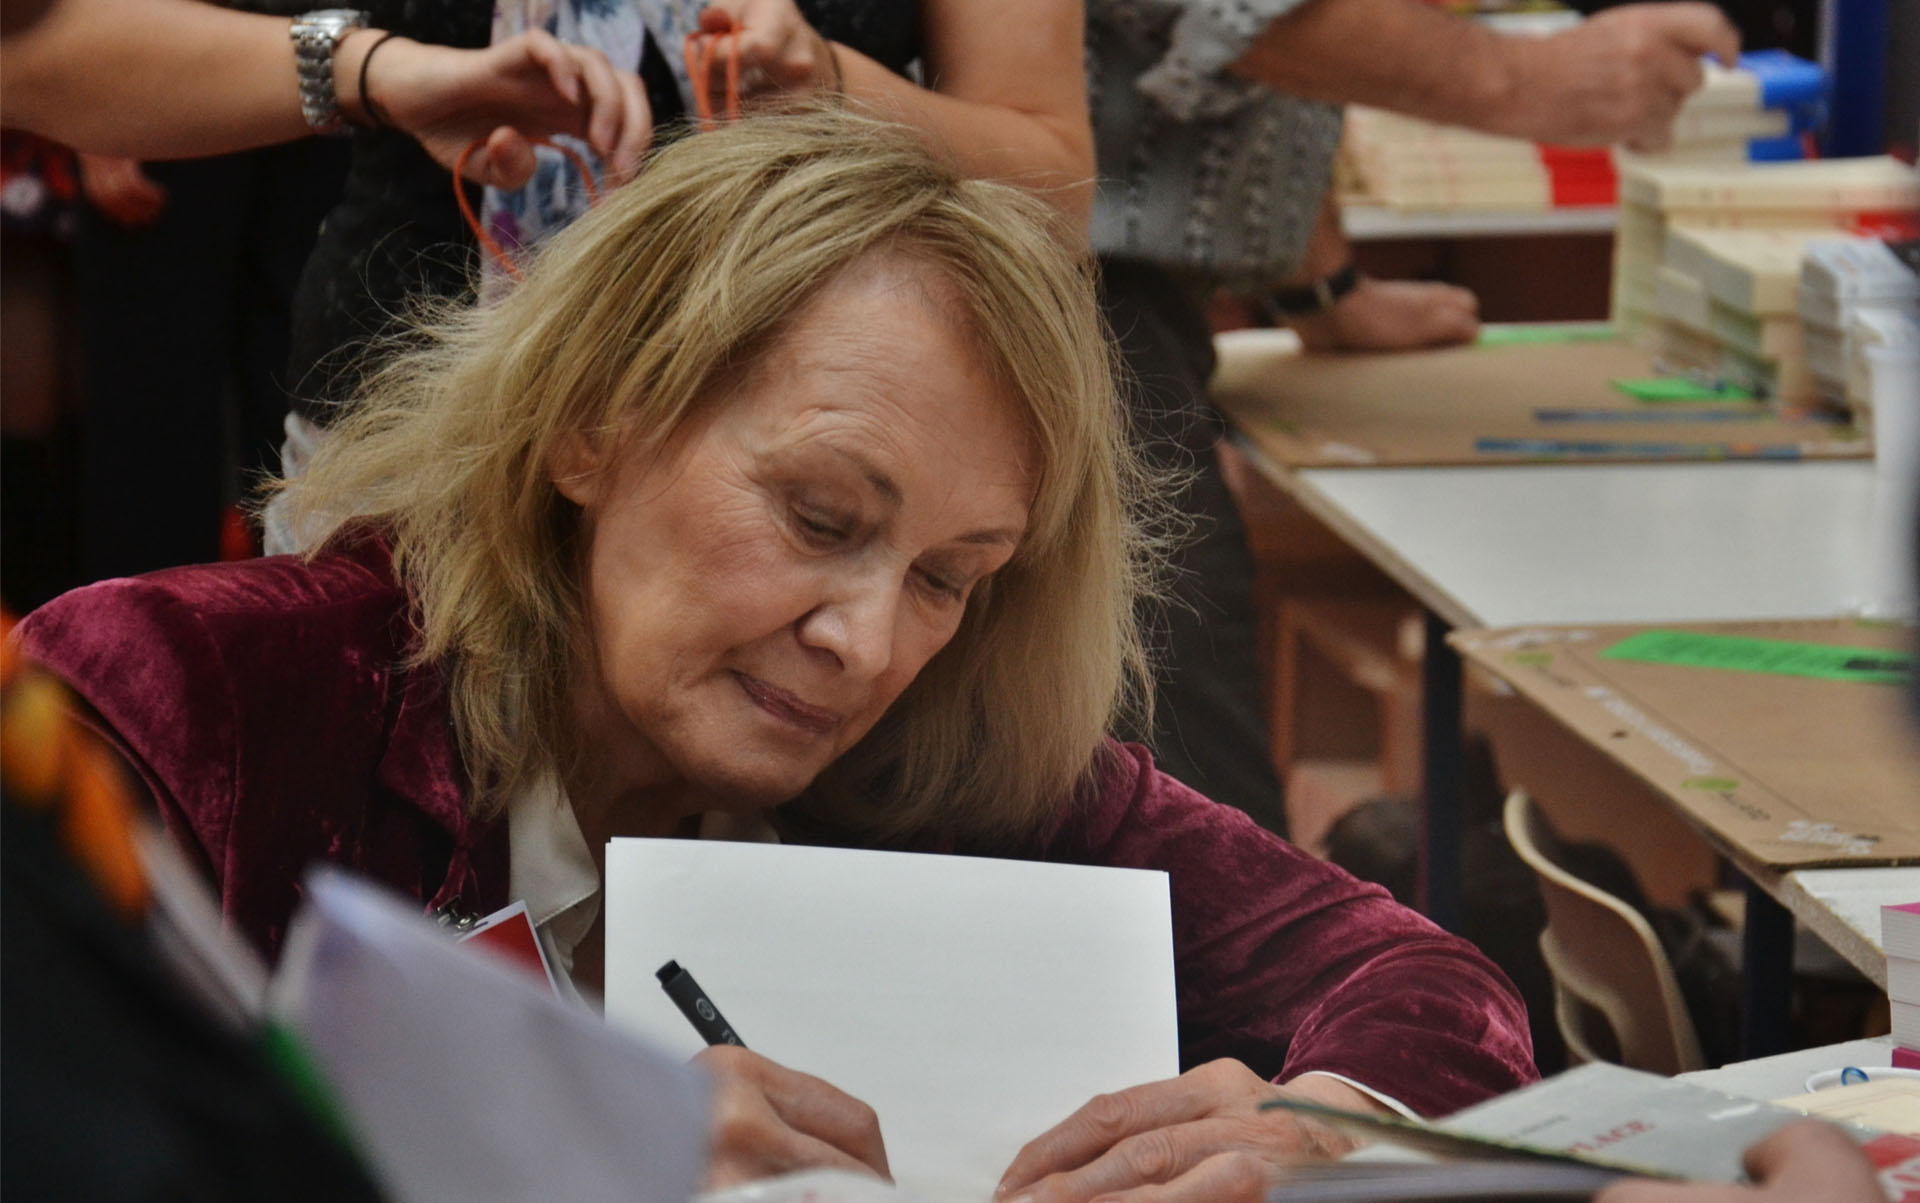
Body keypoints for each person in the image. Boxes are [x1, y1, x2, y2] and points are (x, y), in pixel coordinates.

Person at [16, 108, 1535, 1199]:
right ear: (590, 421)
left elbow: (1424, 980)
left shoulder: (953, 751)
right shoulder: (193, 699)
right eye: (818, 518)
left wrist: (1325, 1129)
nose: (867, 643)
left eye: (951, 576)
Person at [1085, 0, 1743, 834]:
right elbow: (1230, 16)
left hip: (1117, 292)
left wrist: (1318, 281)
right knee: (1196, 838)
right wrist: (1534, 78)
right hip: (1071, 284)